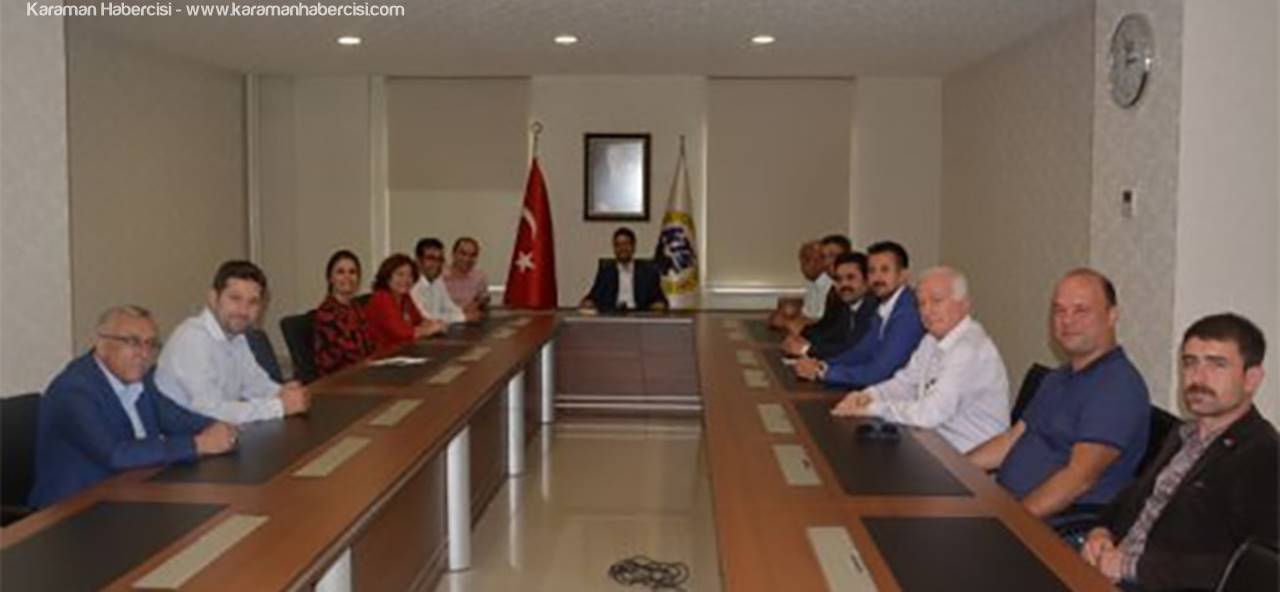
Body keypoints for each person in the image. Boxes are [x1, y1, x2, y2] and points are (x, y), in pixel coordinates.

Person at [1081, 313, 1277, 590]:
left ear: (1251, 379)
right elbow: (1135, 497)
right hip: (1107, 568)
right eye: (1190, 362)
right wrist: (1101, 531)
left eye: (1217, 365)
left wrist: (1130, 566)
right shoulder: (1184, 434)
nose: (1198, 377)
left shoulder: (1265, 454)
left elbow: (1252, 569)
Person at [967, 268, 1150, 517]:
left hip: (1055, 523)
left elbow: (1078, 479)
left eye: (1081, 310)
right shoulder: (1058, 377)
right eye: (1059, 310)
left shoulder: (1117, 388)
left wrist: (1010, 524)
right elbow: (1012, 439)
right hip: (1008, 505)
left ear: (1112, 316)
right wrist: (953, 469)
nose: (1067, 320)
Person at [28, 306, 237, 508]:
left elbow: (174, 418)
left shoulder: (141, 378)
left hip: (131, 493)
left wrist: (217, 427)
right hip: (73, 509)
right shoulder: (73, 391)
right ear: (101, 343)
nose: (144, 354)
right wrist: (198, 444)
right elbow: (114, 454)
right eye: (132, 342)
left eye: (151, 344)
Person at [830, 267, 1010, 453]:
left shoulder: (969, 349)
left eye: (936, 301)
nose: (927, 311)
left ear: (964, 305)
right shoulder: (931, 340)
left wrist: (872, 409)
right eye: (921, 303)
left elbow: (930, 414)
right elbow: (905, 383)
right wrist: (868, 395)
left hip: (968, 459)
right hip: (933, 443)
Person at [157, 260, 311, 424]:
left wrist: (283, 393)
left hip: (219, 432)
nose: (243, 311)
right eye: (235, 298)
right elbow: (210, 411)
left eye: (253, 302)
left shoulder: (237, 337)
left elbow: (255, 384)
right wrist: (279, 407)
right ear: (213, 298)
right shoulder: (192, 339)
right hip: (186, 435)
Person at [794, 241, 924, 389]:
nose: (877, 278)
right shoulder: (884, 306)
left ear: (903, 275)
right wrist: (823, 365)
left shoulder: (908, 312)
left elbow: (879, 373)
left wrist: (824, 372)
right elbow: (862, 351)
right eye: (872, 271)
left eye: (885, 270)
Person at [781, 251, 876, 360]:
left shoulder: (873, 310)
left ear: (867, 281)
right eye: (838, 279)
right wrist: (801, 338)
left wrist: (806, 349)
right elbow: (831, 335)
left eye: (850, 278)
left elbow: (853, 349)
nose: (844, 284)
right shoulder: (846, 306)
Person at [313, 250, 376, 376]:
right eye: (340, 272)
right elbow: (350, 353)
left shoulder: (356, 308)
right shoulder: (326, 313)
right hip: (338, 378)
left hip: (360, 372)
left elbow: (370, 345)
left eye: (352, 272)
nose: (347, 277)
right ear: (330, 278)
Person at [367, 253, 446, 351]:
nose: (406, 279)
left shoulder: (405, 297)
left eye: (410, 275)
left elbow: (419, 321)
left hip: (403, 350)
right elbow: (402, 333)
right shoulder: (382, 298)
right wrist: (428, 330)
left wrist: (434, 324)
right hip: (383, 354)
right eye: (400, 274)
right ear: (387, 277)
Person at [580, 227, 668, 312]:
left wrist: (659, 304)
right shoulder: (606, 271)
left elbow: (660, 299)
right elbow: (594, 296)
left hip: (639, 317)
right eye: (618, 245)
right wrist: (588, 302)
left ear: (633, 247)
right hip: (612, 316)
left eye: (625, 244)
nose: (622, 248)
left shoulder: (648, 272)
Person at [411, 238, 479, 325]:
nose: (437, 264)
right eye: (431, 258)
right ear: (418, 261)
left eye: (440, 259)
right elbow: (426, 317)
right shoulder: (411, 284)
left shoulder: (437, 281)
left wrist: (465, 312)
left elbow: (449, 306)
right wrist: (463, 317)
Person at [769, 241, 829, 330]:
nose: (803, 266)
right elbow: (808, 311)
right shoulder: (811, 282)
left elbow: (821, 320)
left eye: (807, 260)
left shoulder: (829, 286)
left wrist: (790, 322)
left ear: (821, 261)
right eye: (802, 260)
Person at [443, 237, 490, 316]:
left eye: (472, 255)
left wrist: (478, 304)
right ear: (453, 254)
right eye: (463, 254)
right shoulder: (439, 276)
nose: (467, 259)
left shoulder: (479, 277)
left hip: (468, 321)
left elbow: (484, 298)